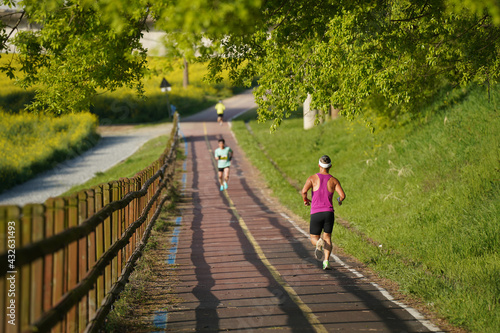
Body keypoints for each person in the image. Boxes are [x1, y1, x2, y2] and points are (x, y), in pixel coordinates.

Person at [301, 155, 345, 270]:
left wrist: (305, 200)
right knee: (328, 237)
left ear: (319, 165)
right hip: (329, 213)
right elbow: (342, 195)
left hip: (316, 213)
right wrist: (339, 201)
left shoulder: (312, 178)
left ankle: (318, 243)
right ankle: (326, 261)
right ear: (330, 166)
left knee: (313, 238)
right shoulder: (334, 180)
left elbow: (304, 191)